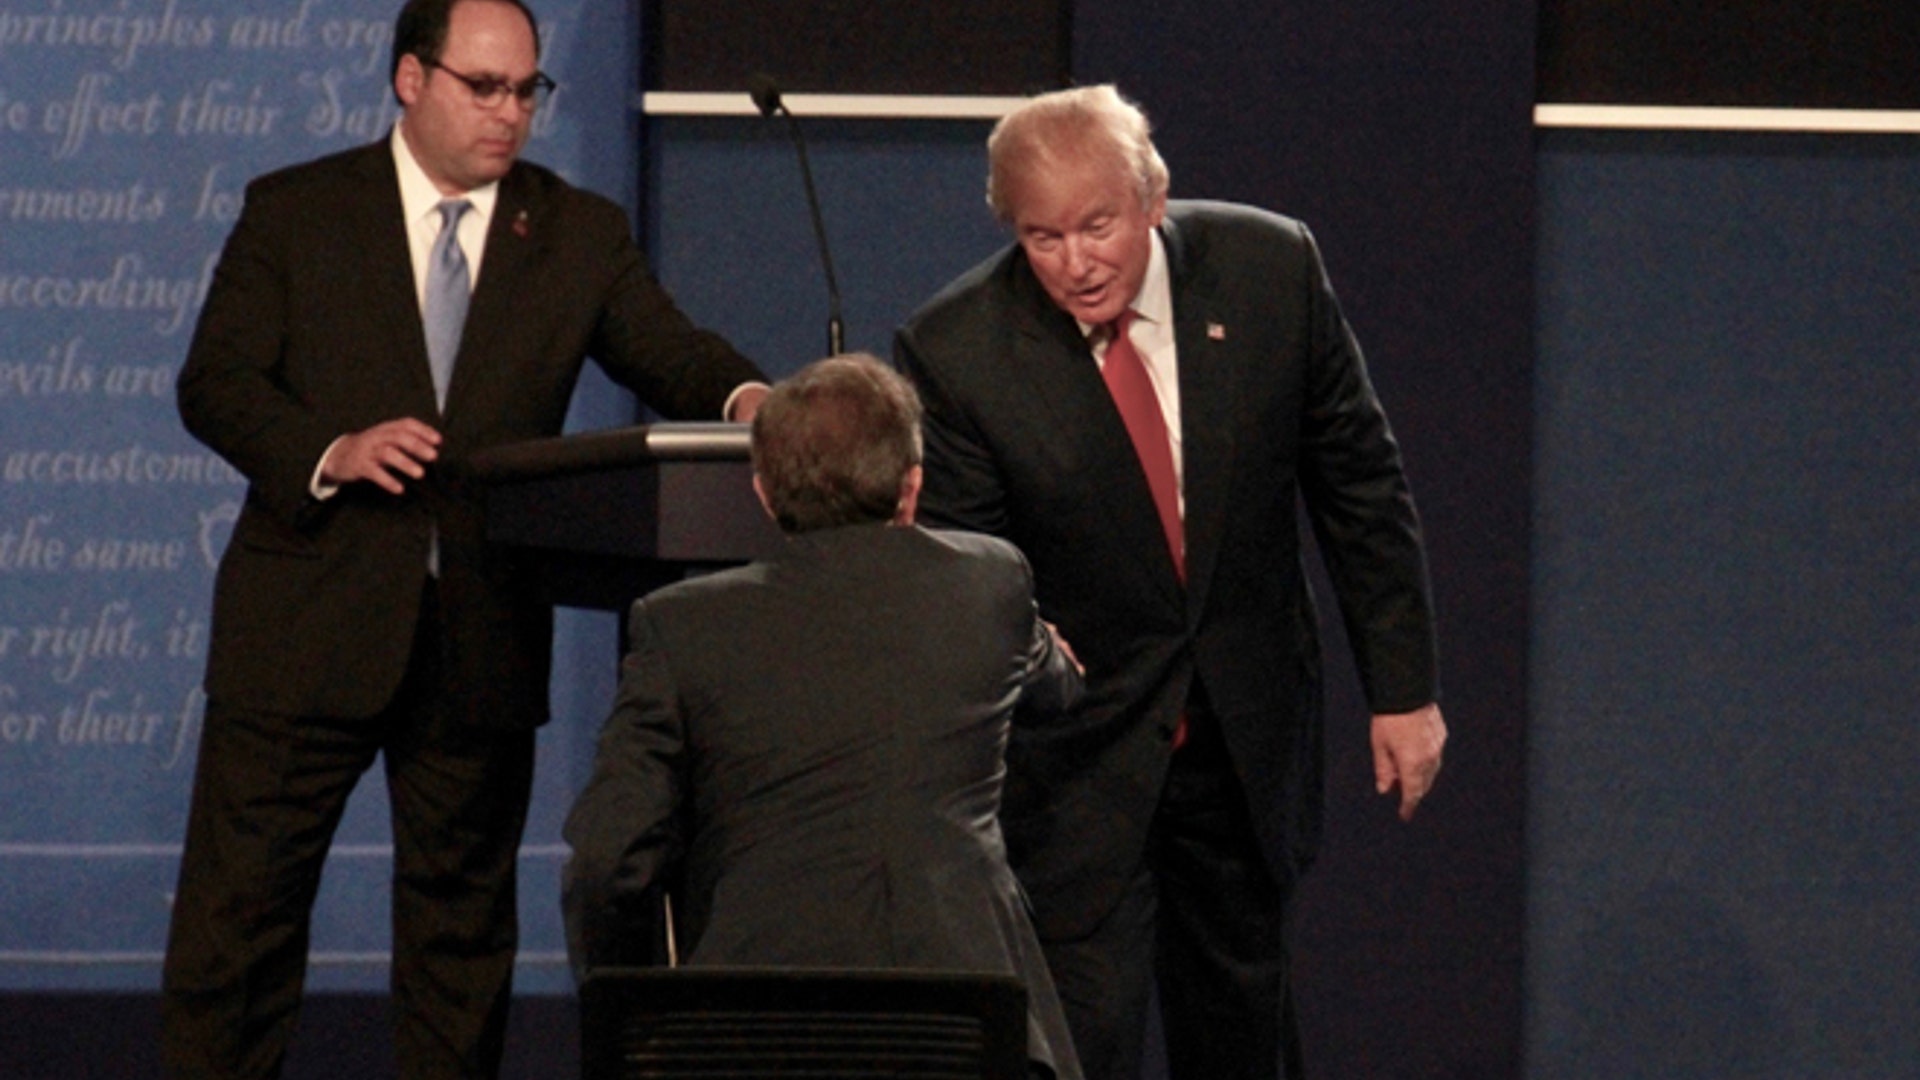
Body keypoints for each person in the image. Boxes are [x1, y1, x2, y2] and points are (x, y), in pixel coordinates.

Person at [162, 1, 769, 1075]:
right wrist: (329, 448)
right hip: (303, 625)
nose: (511, 113)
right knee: (238, 935)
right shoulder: (297, 212)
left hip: (479, 635)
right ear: (411, 79)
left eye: (528, 91)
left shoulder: (576, 231)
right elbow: (215, 385)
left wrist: (750, 397)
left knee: (461, 948)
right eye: (483, 87)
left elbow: (670, 351)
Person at [892, 85, 1448, 1079]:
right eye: (1042, 237)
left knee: (1243, 1039)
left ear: (1152, 196)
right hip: (1076, 767)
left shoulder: (1270, 269)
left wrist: (1402, 690)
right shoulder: (958, 350)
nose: (1074, 262)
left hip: (1242, 744)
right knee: (1080, 1048)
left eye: (1096, 226)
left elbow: (1360, 484)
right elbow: (972, 580)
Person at [561, 354, 1085, 1080]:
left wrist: (634, 1015)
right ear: (912, 489)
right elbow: (1059, 688)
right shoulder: (989, 585)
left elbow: (606, 861)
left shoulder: (681, 627)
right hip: (961, 1029)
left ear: (764, 494)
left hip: (751, 1030)